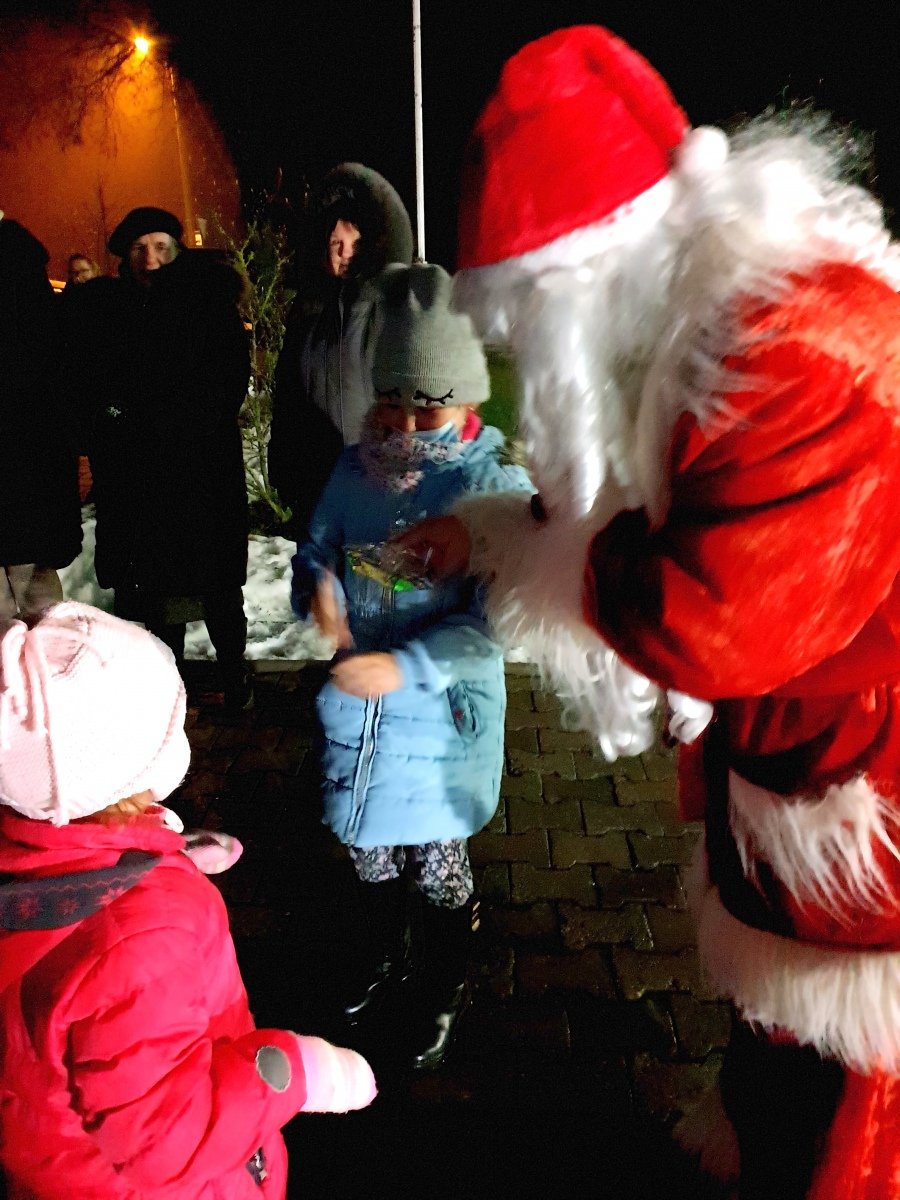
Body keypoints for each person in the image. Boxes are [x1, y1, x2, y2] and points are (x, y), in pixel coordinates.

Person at [396, 25, 900, 1199]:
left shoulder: (792, 344)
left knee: (858, 1103)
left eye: (530, 313)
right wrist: (491, 535)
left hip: (867, 792)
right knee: (790, 1055)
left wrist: (535, 557)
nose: (529, 352)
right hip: (807, 771)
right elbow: (618, 516)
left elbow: (713, 620)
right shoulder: (694, 320)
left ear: (583, 270)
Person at [0, 601, 377, 1199]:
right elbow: (169, 1140)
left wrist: (161, 863)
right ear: (127, 777)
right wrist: (300, 1071)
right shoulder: (140, 944)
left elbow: (74, 901)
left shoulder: (28, 839)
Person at [291, 262, 532, 1070]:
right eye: (392, 398)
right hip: (359, 716)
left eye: (429, 403)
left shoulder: (490, 487)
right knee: (368, 847)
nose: (405, 420)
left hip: (439, 723)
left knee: (436, 861)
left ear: (467, 398)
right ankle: (378, 952)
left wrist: (408, 669)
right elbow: (321, 547)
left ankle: (440, 980)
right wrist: (320, 589)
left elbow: (494, 623)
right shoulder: (353, 467)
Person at [64, 206, 253, 710]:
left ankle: (234, 677)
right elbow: (98, 382)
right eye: (139, 249)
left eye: (161, 247)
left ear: (178, 250)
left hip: (204, 469)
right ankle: (167, 686)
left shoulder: (209, 301)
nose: (150, 259)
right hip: (144, 475)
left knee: (216, 580)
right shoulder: (113, 312)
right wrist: (112, 419)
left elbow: (227, 382)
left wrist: (174, 420)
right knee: (157, 584)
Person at [268, 163, 414, 537]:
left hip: (378, 491)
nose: (346, 253)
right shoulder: (306, 312)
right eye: (336, 243)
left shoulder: (389, 307)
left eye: (355, 243)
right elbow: (288, 395)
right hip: (318, 494)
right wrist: (284, 467)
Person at [0, 209, 81, 622]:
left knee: (32, 606)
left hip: (25, 475)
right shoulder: (35, 289)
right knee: (41, 610)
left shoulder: (22, 283)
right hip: (33, 487)